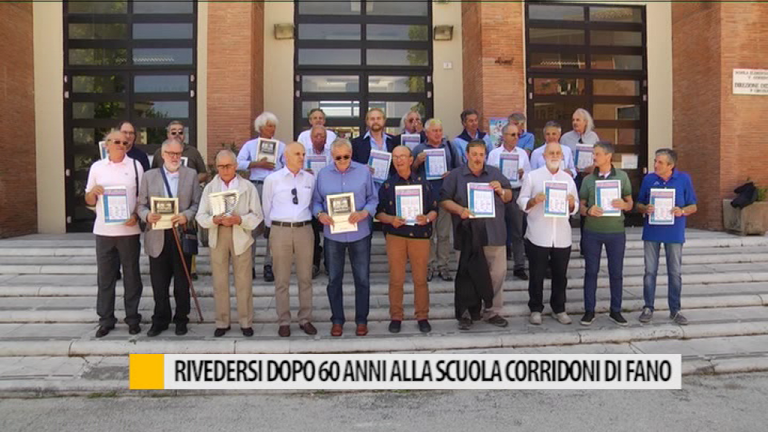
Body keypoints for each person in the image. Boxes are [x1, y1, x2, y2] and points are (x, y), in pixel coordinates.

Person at [440, 140, 514, 329]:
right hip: (467, 235)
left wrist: (501, 190)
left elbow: (509, 197)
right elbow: (444, 200)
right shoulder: (455, 176)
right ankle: (467, 312)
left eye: (481, 154)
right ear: (466, 155)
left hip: (493, 233)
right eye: (474, 154)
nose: (478, 158)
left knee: (497, 274)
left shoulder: (495, 173)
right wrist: (460, 210)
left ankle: (492, 311)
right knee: (467, 275)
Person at [312, 138, 379, 337]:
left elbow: (373, 199)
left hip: (360, 233)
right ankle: (337, 320)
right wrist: (320, 215)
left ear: (351, 154)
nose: (342, 160)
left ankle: (361, 320)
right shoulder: (323, 174)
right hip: (333, 235)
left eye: (346, 157)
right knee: (334, 279)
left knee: (362, 279)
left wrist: (365, 212)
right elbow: (316, 202)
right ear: (332, 156)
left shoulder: (363, 171)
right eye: (338, 157)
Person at [196, 150, 264, 337]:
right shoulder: (210, 188)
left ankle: (245, 321)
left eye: (228, 166)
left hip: (240, 235)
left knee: (244, 281)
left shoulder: (247, 187)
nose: (224, 170)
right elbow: (200, 216)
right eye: (220, 166)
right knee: (220, 282)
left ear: (235, 166)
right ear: (216, 167)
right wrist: (214, 220)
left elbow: (258, 215)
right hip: (218, 235)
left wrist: (239, 219)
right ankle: (222, 321)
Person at [137, 139, 201, 336]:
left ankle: (181, 318)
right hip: (157, 235)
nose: (174, 157)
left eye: (177, 153)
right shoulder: (149, 176)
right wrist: (146, 215)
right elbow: (140, 205)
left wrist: (186, 216)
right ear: (162, 154)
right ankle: (160, 319)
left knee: (182, 282)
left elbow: (197, 204)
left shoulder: (191, 175)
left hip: (181, 234)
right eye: (170, 153)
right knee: (159, 283)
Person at [84, 130, 144, 337]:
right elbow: (88, 199)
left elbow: (142, 198)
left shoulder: (136, 166)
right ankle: (106, 319)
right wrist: (92, 194)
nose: (121, 144)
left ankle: (133, 318)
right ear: (106, 144)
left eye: (125, 142)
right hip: (103, 231)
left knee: (132, 276)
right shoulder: (97, 167)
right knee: (106, 278)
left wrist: (136, 216)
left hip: (129, 231)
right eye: (116, 141)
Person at [376, 145, 438, 334]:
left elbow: (434, 209)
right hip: (396, 236)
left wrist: (427, 218)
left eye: (402, 156)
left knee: (420, 279)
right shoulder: (387, 185)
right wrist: (390, 219)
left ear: (411, 160)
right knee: (396, 279)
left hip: (419, 237)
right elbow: (378, 213)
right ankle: (396, 316)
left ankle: (422, 316)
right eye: (395, 157)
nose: (399, 160)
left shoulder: (424, 183)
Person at [517, 142, 579, 326]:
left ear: (562, 156)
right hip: (538, 234)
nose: (554, 156)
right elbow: (521, 200)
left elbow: (575, 205)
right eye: (551, 153)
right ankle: (536, 308)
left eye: (558, 153)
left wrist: (570, 204)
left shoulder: (568, 179)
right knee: (536, 274)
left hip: (561, 235)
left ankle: (559, 308)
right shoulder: (533, 177)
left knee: (560, 275)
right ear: (543, 156)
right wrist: (534, 200)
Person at [636, 148, 698, 325]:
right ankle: (648, 307)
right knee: (649, 272)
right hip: (652, 231)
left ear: (671, 165)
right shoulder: (649, 179)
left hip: (674, 232)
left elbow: (693, 205)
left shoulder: (683, 179)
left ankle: (675, 310)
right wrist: (644, 208)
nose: (655, 165)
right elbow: (639, 203)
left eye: (660, 162)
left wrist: (682, 211)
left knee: (675, 272)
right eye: (655, 161)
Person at [262, 142, 317, 337]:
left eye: (303, 154)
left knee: (305, 278)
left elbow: (312, 203)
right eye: (297, 154)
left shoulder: (310, 178)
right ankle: (284, 321)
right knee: (282, 279)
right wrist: (276, 228)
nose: (301, 157)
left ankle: (305, 319)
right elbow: (266, 208)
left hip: (304, 230)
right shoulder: (272, 180)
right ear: (286, 156)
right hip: (280, 230)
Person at [578, 141, 633, 326]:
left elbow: (630, 202)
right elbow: (580, 206)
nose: (594, 157)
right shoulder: (588, 180)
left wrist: (624, 205)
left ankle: (615, 310)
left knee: (616, 272)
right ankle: (589, 311)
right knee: (590, 271)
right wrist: (588, 210)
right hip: (592, 232)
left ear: (609, 156)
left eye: (598, 154)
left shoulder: (622, 177)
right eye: (594, 154)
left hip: (616, 232)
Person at [237, 112, 286, 282]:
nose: (272, 129)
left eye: (274, 126)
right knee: (252, 225)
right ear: (260, 128)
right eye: (269, 126)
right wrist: (258, 164)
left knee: (272, 226)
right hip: (256, 185)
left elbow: (287, 167)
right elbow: (238, 162)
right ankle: (249, 266)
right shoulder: (250, 145)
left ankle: (268, 265)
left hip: (275, 187)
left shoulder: (281, 146)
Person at [412, 118, 461, 282]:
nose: (438, 133)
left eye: (440, 130)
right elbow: (410, 172)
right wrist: (417, 162)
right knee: (428, 233)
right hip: (426, 197)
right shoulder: (419, 149)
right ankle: (429, 265)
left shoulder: (449, 146)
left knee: (444, 233)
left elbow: (459, 168)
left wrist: (451, 174)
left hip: (445, 196)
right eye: (434, 131)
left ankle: (443, 265)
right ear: (426, 133)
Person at [487, 122, 531, 280]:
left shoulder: (522, 154)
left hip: (516, 192)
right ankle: (497, 264)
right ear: (504, 136)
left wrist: (522, 175)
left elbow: (529, 174)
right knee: (497, 229)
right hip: (499, 193)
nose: (516, 138)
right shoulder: (494, 154)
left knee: (517, 231)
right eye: (512, 135)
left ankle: (519, 266)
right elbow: (489, 174)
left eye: (518, 135)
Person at [560, 109, 600, 254]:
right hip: (572, 178)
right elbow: (562, 158)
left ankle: (586, 247)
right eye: (573, 120)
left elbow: (598, 156)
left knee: (585, 211)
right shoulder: (565, 138)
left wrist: (594, 166)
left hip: (588, 177)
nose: (575, 122)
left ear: (586, 122)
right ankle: (565, 245)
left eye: (578, 120)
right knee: (568, 210)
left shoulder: (593, 137)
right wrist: (571, 168)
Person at [304, 125, 332, 277]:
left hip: (328, 197)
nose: (319, 138)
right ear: (311, 138)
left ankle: (329, 263)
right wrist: (303, 172)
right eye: (316, 136)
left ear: (326, 139)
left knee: (329, 232)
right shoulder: (304, 155)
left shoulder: (331, 155)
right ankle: (314, 263)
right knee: (313, 234)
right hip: (310, 199)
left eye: (322, 136)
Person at [351, 108, 396, 182]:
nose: (375, 121)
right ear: (367, 122)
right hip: (367, 185)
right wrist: (362, 168)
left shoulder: (393, 141)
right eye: (372, 119)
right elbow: (351, 165)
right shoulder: (356, 143)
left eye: (378, 118)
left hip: (389, 186)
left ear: (384, 120)